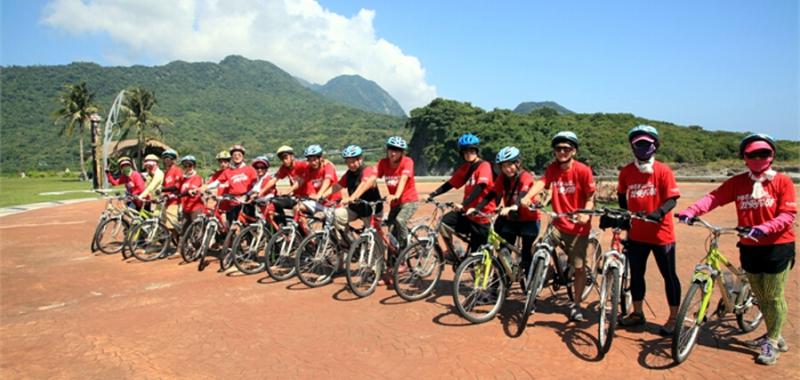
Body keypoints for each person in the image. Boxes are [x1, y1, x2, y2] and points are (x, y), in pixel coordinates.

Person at [677, 134, 796, 366]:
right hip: (749, 246)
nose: (758, 158)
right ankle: (775, 333)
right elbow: (714, 198)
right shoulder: (738, 182)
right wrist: (691, 211)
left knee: (772, 295)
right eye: (753, 154)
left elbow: (788, 214)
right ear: (744, 157)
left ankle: (772, 340)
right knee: (760, 295)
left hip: (777, 247)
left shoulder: (782, 182)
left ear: (772, 156)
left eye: (764, 154)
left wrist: (765, 227)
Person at [613, 125, 681, 335]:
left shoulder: (663, 170)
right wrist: (624, 218)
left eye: (646, 143)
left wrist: (658, 213)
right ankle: (637, 312)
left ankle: (673, 317)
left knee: (668, 275)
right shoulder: (627, 172)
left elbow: (672, 199)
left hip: (662, 235)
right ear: (632, 147)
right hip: (637, 235)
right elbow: (622, 196)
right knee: (637, 274)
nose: (642, 148)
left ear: (655, 145)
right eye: (638, 144)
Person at [521, 131, 595, 322]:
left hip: (577, 228)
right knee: (538, 249)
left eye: (566, 148)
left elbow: (590, 197)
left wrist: (585, 214)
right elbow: (542, 182)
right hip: (558, 223)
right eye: (558, 148)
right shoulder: (553, 168)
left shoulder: (582, 170)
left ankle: (576, 304)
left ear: (573, 151)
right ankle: (536, 291)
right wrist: (528, 196)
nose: (561, 151)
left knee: (579, 268)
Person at [476, 146, 539, 282]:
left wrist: (513, 207)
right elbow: (491, 194)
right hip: (512, 220)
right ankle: (497, 288)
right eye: (503, 166)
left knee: (526, 253)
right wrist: (477, 208)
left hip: (529, 220)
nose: (506, 169)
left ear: (517, 163)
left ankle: (530, 288)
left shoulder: (525, 177)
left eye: (509, 165)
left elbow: (522, 195)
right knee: (504, 254)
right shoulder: (502, 178)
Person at [427, 133, 495, 255]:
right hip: (466, 213)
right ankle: (452, 251)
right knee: (443, 223)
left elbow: (481, 186)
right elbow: (450, 183)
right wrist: (432, 194)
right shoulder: (465, 168)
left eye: (472, 151)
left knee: (476, 256)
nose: (468, 154)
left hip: (481, 214)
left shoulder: (484, 166)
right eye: (465, 151)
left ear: (477, 151)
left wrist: (463, 204)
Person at [320, 145, 383, 244]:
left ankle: (378, 257)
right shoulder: (349, 173)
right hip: (355, 208)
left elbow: (363, 185)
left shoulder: (367, 170)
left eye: (353, 161)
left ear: (360, 159)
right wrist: (323, 194)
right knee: (337, 214)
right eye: (348, 162)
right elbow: (338, 185)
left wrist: (352, 197)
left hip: (370, 209)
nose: (350, 165)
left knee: (375, 239)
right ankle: (350, 244)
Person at [376, 136, 419, 249]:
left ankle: (405, 250)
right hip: (395, 204)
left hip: (409, 200)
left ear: (402, 152)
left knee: (400, 220)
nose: (393, 153)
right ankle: (391, 264)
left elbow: (404, 178)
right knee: (391, 233)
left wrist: (396, 195)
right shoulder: (383, 163)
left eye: (397, 150)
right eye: (391, 149)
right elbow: (372, 176)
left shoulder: (407, 161)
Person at [260, 145, 309, 222]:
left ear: (292, 156)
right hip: (296, 197)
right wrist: (261, 192)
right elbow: (274, 179)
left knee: (301, 220)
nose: (284, 161)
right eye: (282, 159)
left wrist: (288, 190)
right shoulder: (284, 168)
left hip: (307, 196)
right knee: (274, 202)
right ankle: (282, 227)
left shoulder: (302, 165)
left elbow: (300, 181)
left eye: (286, 158)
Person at [299, 144, 341, 214]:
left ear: (320, 158)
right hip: (320, 203)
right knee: (297, 207)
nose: (313, 163)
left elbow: (327, 181)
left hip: (333, 203)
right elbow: (309, 187)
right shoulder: (309, 169)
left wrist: (319, 195)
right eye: (310, 160)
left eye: (315, 159)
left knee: (319, 217)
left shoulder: (327, 166)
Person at [178, 155, 204, 234]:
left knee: (196, 231)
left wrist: (186, 193)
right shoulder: (183, 179)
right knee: (183, 231)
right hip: (185, 207)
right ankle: (181, 246)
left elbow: (192, 191)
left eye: (190, 165)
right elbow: (178, 190)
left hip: (195, 208)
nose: (187, 168)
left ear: (194, 166)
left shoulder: (197, 178)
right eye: (185, 166)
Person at [160, 149, 183, 234]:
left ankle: (180, 242)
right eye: (165, 159)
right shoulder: (166, 172)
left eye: (169, 159)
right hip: (166, 201)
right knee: (163, 223)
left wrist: (162, 190)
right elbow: (164, 185)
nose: (166, 161)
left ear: (173, 160)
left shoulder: (177, 170)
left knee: (172, 225)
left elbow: (177, 187)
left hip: (174, 201)